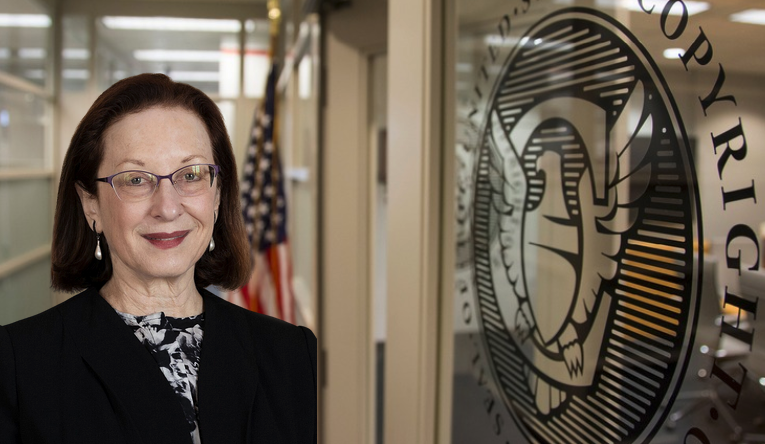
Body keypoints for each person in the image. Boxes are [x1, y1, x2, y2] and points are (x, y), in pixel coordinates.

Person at [0, 73, 317, 443]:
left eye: (191, 175)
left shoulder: (293, 355)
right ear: (91, 204)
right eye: (135, 179)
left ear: (217, 195)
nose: (167, 208)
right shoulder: (19, 365)